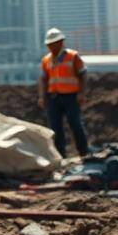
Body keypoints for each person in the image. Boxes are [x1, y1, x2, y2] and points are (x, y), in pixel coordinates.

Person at [38, 27, 89, 157]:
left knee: (75, 124)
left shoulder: (73, 56)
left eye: (52, 44)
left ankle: (83, 152)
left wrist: (81, 93)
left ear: (60, 42)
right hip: (53, 98)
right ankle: (60, 155)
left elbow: (83, 75)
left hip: (70, 97)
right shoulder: (46, 60)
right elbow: (43, 79)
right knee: (55, 128)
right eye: (48, 44)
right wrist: (42, 97)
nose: (50, 47)